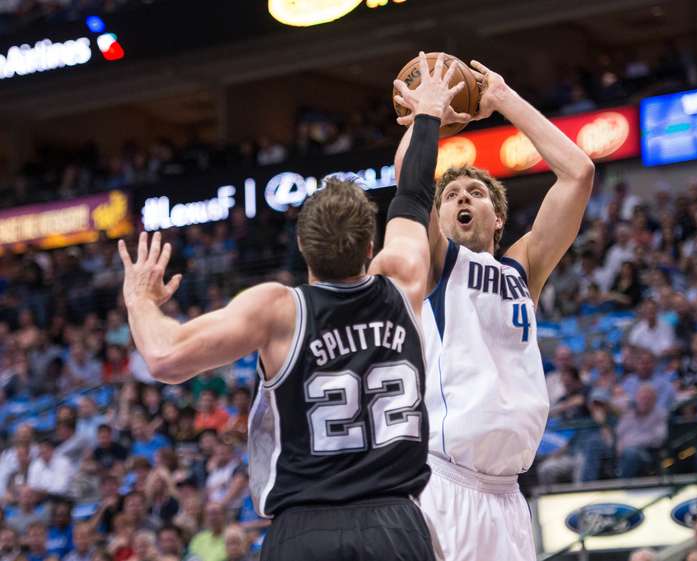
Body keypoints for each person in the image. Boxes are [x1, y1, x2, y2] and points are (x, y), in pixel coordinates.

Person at [120, 52, 464, 561]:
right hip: (396, 521)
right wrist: (427, 115)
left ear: (303, 249)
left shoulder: (277, 310)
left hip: (305, 529)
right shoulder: (402, 279)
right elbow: (412, 194)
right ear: (371, 249)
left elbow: (164, 358)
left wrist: (138, 296)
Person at [394, 58, 595, 561]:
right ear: (439, 218)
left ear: (497, 218)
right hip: (445, 480)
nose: (463, 197)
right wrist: (428, 117)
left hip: (508, 495)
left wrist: (504, 98)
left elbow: (578, 172)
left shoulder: (523, 268)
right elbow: (410, 184)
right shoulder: (440, 263)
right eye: (452, 195)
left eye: (476, 193)